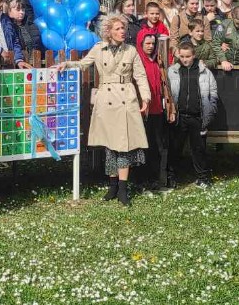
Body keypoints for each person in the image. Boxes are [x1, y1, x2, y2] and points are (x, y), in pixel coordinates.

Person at [58, 15, 150, 206]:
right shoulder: (99, 48)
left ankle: (123, 189)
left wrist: (146, 98)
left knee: (124, 146)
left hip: (126, 99)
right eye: (117, 29)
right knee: (110, 145)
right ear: (108, 31)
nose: (122, 31)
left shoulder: (131, 50)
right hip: (106, 100)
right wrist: (67, 64)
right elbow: (83, 64)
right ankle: (112, 186)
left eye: (123, 28)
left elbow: (140, 76)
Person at [167, 42, 218, 189]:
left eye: (188, 56)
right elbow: (168, 93)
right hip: (179, 116)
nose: (185, 59)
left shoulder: (204, 72)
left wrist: (210, 110)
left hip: (198, 116)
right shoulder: (173, 71)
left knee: (199, 149)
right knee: (175, 148)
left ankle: (203, 178)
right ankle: (172, 177)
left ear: (194, 55)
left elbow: (213, 92)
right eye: (182, 56)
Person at [138, 33, 172, 193]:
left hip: (158, 109)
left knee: (158, 146)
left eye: (153, 43)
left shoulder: (158, 61)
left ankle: (156, 180)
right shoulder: (138, 62)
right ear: (141, 44)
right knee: (144, 146)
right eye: (147, 43)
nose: (150, 46)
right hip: (143, 110)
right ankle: (143, 181)